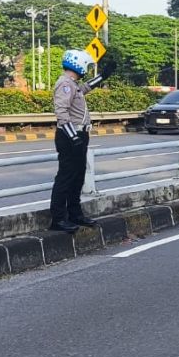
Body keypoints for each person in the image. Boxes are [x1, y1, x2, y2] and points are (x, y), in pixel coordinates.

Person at [48, 49, 110, 233]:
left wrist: (102, 76)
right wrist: (73, 137)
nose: (87, 69)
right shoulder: (64, 84)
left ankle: (75, 214)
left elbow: (84, 89)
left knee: (78, 177)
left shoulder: (73, 84)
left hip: (78, 135)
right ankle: (58, 219)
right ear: (78, 64)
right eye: (87, 66)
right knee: (66, 177)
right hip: (70, 136)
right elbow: (61, 113)